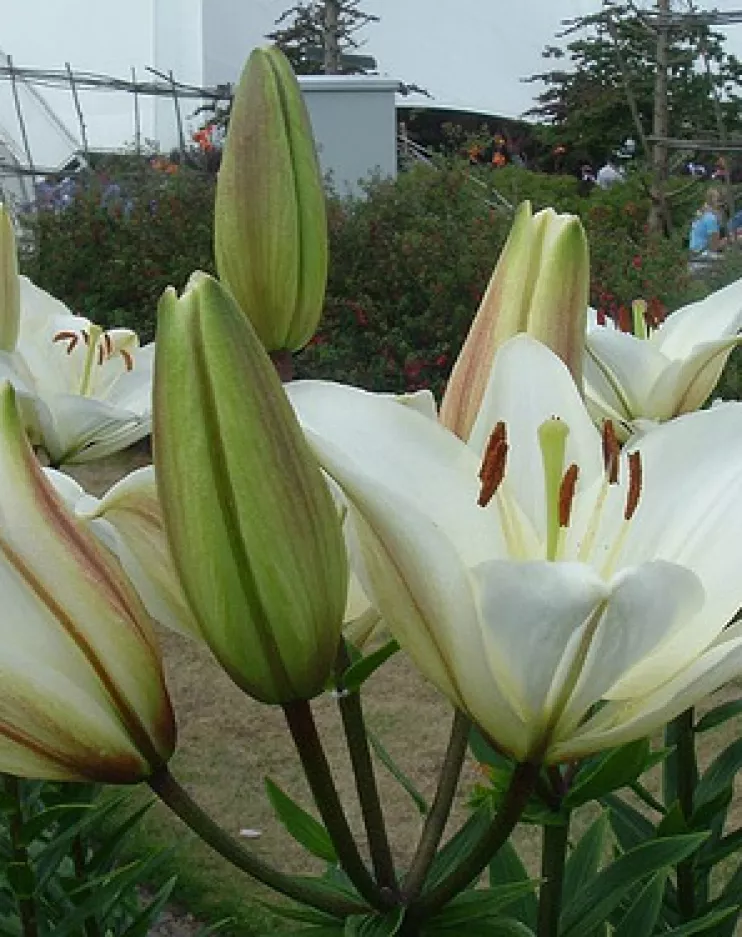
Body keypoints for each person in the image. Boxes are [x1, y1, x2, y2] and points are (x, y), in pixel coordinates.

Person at [689, 188, 724, 255]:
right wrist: (728, 241)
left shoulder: (701, 213)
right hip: (702, 254)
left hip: (694, 252)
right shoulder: (711, 218)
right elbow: (714, 247)